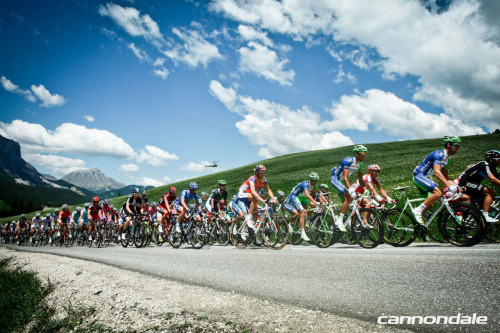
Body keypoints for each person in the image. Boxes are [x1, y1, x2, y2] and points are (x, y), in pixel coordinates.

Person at [412, 136, 461, 224]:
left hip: (425, 178)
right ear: (449, 144)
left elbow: (445, 176)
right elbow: (437, 172)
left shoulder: (447, 160)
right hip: (419, 176)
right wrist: (449, 186)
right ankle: (417, 211)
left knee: (429, 205)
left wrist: (456, 186)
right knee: (439, 192)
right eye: (456, 145)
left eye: (458, 146)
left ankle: (420, 227)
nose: (458, 148)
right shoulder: (439, 155)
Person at [330, 145, 368, 231]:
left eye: (365, 154)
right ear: (356, 153)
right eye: (362, 153)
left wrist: (366, 190)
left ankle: (343, 220)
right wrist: (351, 189)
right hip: (336, 179)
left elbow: (361, 180)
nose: (364, 155)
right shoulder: (348, 161)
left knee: (350, 203)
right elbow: (345, 177)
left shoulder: (360, 165)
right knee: (349, 196)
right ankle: (339, 221)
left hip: (342, 181)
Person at [458, 150, 500, 223]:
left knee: (484, 201)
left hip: (473, 184)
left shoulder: (492, 167)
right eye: (498, 160)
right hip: (465, 183)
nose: (499, 161)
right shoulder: (484, 164)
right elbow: (493, 179)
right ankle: (485, 215)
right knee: (491, 192)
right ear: (491, 160)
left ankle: (479, 218)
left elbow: (498, 179)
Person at [235, 165, 277, 230]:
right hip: (242, 194)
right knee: (255, 198)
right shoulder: (252, 179)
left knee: (256, 215)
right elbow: (253, 192)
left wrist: (274, 199)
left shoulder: (263, 179)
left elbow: (268, 190)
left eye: (263, 172)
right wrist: (262, 200)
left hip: (251, 197)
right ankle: (249, 216)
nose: (263, 174)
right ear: (256, 172)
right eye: (261, 172)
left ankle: (252, 231)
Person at [284, 172, 321, 241]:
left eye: (316, 180)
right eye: (314, 180)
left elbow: (318, 193)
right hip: (295, 196)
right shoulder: (305, 184)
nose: (315, 182)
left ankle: (304, 219)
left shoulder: (314, 185)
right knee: (302, 211)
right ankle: (302, 232)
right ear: (310, 179)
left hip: (302, 198)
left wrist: (323, 203)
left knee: (315, 207)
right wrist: (315, 202)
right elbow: (307, 195)